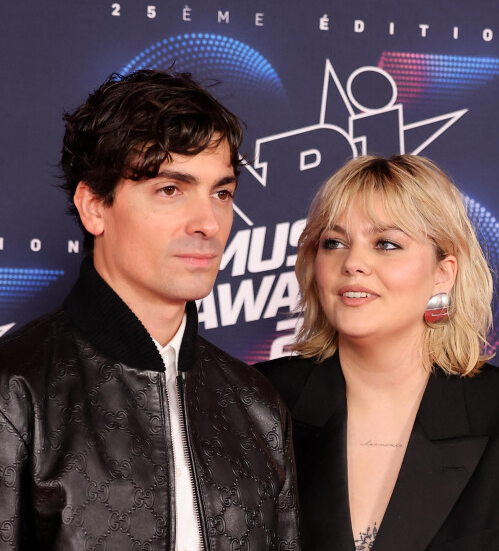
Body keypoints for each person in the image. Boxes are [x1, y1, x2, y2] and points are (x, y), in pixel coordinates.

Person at [0, 70, 299, 550]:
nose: (209, 223)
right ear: (94, 206)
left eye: (221, 193)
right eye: (170, 190)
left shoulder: (256, 405)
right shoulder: (15, 392)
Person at [256, 154, 499, 550]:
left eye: (386, 244)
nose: (353, 263)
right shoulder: (254, 402)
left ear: (443, 272)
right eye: (334, 242)